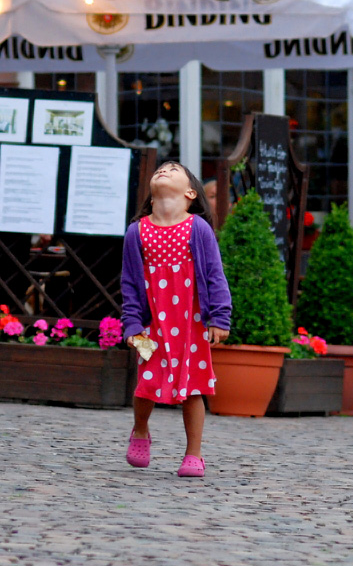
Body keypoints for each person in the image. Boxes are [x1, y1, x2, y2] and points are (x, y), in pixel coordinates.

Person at [121, 161, 232, 478]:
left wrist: (219, 318)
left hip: (192, 324)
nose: (163, 170)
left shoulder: (199, 229)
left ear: (190, 193)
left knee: (194, 389)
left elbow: (214, 276)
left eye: (173, 169)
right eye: (160, 169)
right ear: (151, 195)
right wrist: (132, 324)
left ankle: (193, 454)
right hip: (150, 325)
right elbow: (129, 283)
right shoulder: (136, 232)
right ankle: (140, 430)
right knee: (146, 383)